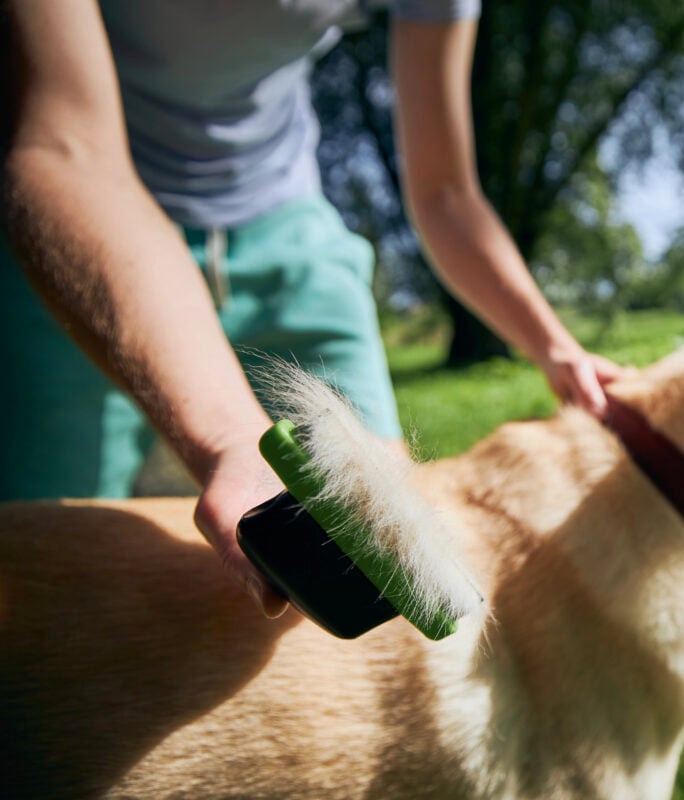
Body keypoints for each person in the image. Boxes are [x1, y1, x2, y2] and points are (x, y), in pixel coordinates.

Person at [0, 0, 622, 617]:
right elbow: (64, 145)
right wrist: (228, 437)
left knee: (383, 556)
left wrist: (553, 344)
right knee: (43, 588)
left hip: (289, 234)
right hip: (85, 228)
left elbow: (447, 192)